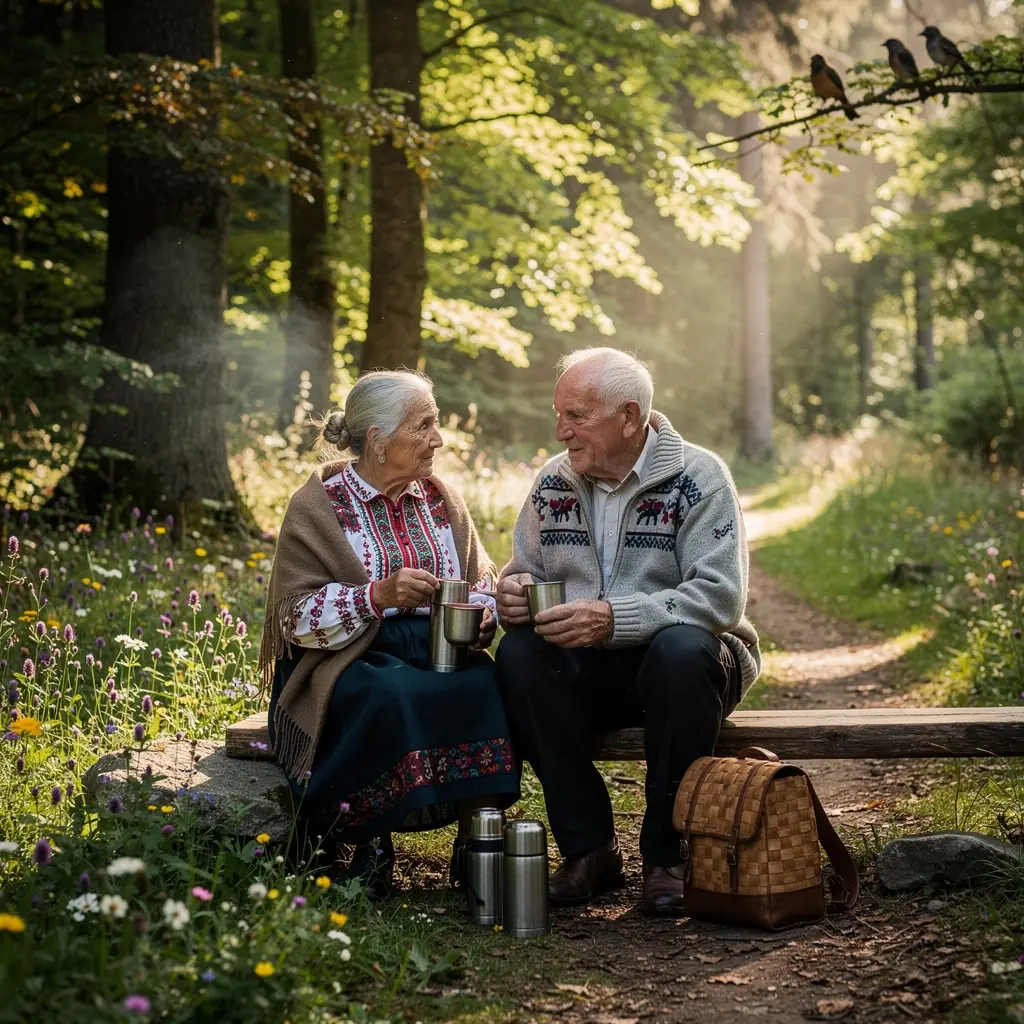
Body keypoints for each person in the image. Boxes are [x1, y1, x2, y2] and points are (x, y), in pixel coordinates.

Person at [494, 348, 761, 917]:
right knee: (518, 653)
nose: (562, 430)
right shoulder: (553, 481)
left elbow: (719, 598)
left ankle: (668, 858)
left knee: (682, 648)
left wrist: (616, 618)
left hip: (686, 669)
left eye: (577, 415)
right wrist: (512, 594)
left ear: (629, 416)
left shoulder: (700, 476)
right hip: (589, 665)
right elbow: (525, 569)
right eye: (558, 413)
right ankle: (590, 851)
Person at [259, 370, 520, 899]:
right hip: (346, 656)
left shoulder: (441, 498)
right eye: (424, 426)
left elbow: (477, 583)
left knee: (486, 683)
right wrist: (376, 596)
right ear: (379, 441)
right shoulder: (319, 505)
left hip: (435, 647)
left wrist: (483, 613)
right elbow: (295, 619)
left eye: (436, 424)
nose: (438, 440)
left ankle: (478, 839)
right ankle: (368, 841)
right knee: (389, 693)